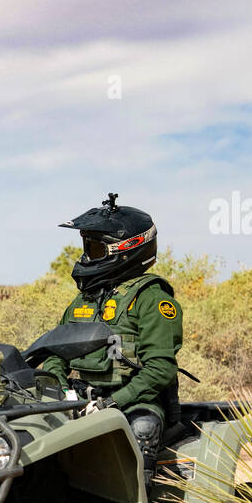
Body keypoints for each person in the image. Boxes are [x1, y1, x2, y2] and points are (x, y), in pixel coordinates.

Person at [41, 194, 183, 484]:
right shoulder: (85, 299)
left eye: (94, 249)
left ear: (125, 250)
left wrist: (113, 403)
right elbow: (56, 352)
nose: (86, 257)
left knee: (142, 428)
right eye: (87, 247)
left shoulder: (152, 298)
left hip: (134, 400)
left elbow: (161, 369)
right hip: (83, 396)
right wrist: (62, 391)